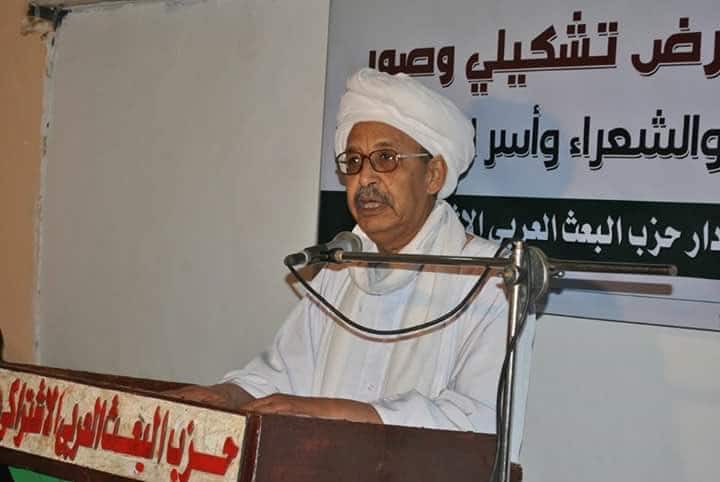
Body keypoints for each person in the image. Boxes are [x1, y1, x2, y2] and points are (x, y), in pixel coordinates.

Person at [171, 68, 533, 448]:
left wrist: (332, 413)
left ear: (433, 175)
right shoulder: (340, 266)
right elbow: (284, 374)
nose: (365, 179)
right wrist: (226, 397)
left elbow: (479, 419)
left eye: (386, 158)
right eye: (354, 162)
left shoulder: (492, 277)